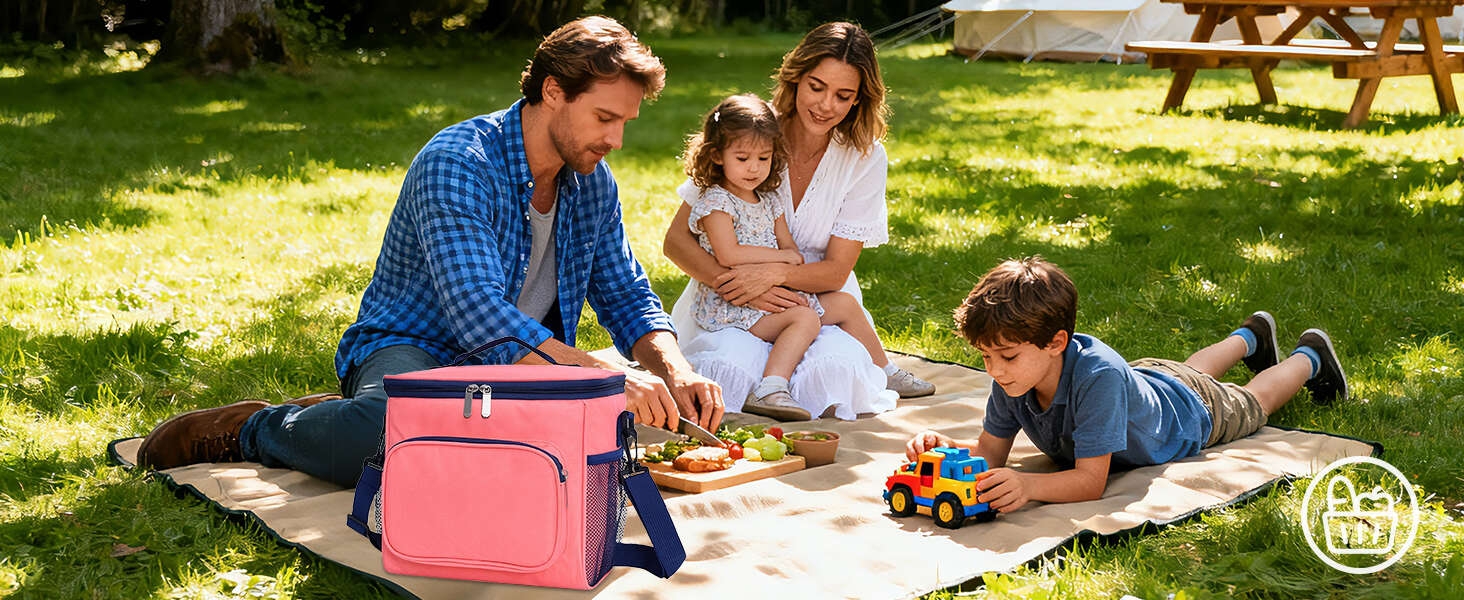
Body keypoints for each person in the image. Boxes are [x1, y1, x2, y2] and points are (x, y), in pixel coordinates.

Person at [136, 16, 723, 487]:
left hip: (519, 367)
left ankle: (365, 415)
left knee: (538, 461)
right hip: (418, 348)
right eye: (604, 117)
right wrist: (601, 375)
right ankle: (258, 428)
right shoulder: (459, 161)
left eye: (625, 122)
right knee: (385, 434)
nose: (615, 140)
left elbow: (625, 291)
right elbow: (478, 315)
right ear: (553, 91)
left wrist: (675, 369)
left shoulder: (592, 179)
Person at [907, 257, 1347, 513]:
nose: (994, 370)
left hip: (1192, 413)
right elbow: (990, 455)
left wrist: (1028, 486)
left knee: (1254, 401)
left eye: (1005, 356)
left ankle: (1308, 358)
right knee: (1187, 368)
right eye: (985, 356)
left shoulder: (1097, 380)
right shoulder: (1014, 376)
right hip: (1151, 379)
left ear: (1056, 342)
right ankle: (1250, 337)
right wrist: (947, 451)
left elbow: (1089, 482)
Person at [663, 22, 934, 422]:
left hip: (817, 293)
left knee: (836, 372)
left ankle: (881, 371)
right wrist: (742, 288)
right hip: (728, 292)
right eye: (816, 87)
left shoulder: (864, 157)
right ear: (795, 78)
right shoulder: (751, 134)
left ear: (860, 100)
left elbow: (837, 270)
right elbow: (676, 241)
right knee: (730, 371)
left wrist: (771, 275)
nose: (826, 105)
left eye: (844, 96)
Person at [681, 93, 901, 422]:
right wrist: (779, 260)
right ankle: (772, 387)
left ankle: (885, 369)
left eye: (763, 159)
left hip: (780, 285)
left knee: (845, 304)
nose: (753, 168)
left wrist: (781, 264)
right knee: (805, 319)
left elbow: (793, 253)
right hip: (734, 304)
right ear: (717, 156)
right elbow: (729, 255)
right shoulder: (717, 202)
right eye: (742, 159)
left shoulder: (768, 200)